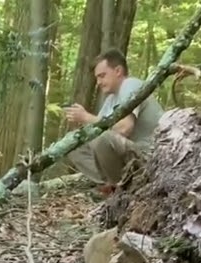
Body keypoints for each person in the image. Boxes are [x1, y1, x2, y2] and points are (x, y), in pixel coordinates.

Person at [63, 49, 163, 194]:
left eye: (102, 76)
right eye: (97, 78)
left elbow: (125, 128)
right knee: (72, 144)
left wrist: (86, 117)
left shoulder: (131, 85)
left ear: (118, 71)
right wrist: (81, 127)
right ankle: (112, 186)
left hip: (151, 157)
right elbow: (99, 129)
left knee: (102, 139)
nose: (98, 82)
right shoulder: (110, 100)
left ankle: (122, 189)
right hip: (128, 157)